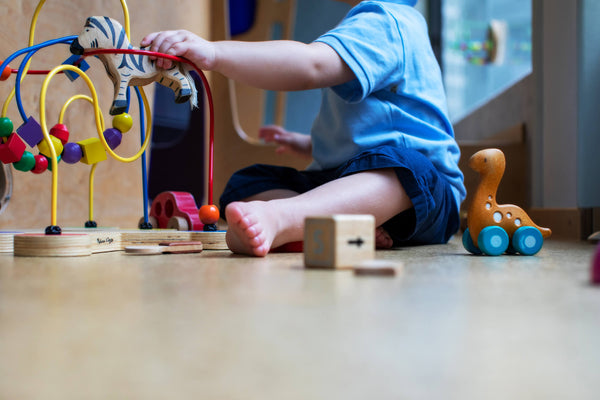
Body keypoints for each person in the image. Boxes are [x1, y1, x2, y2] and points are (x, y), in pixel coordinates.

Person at [141, 0, 466, 257]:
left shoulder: (385, 20)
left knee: (402, 168)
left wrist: (215, 53)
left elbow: (311, 65)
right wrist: (308, 144)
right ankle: (328, 223)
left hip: (425, 197)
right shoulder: (377, 21)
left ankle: (284, 218)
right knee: (247, 181)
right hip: (352, 184)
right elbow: (371, 129)